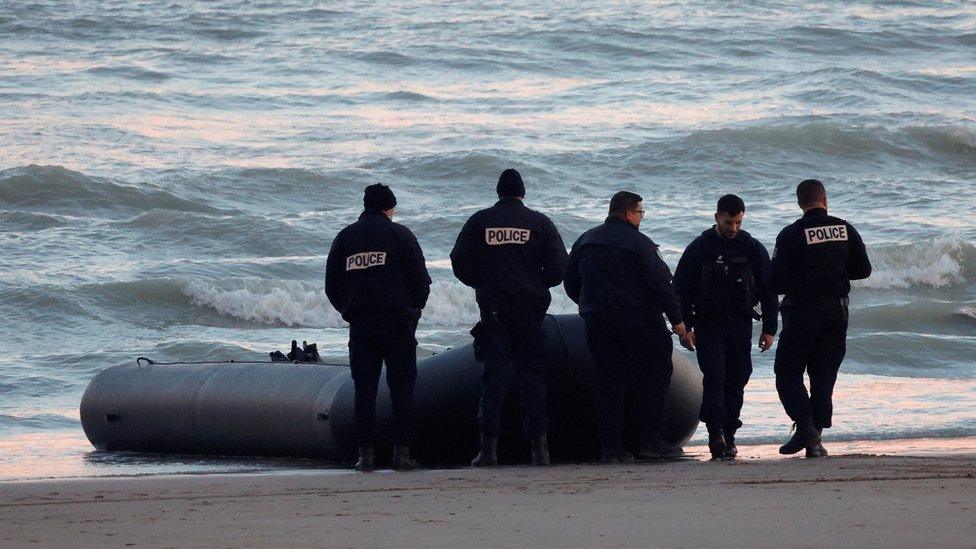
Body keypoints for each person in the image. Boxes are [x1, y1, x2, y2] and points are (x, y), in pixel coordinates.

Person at [450, 169, 569, 467]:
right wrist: (537, 282)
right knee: (532, 377)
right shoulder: (539, 222)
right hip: (530, 310)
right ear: (522, 193)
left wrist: (483, 281)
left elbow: (459, 263)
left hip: (495, 311)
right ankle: (539, 451)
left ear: (498, 192)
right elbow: (558, 267)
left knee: (494, 378)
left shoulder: (480, 221)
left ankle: (489, 451)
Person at [564, 191, 687, 463]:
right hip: (638, 323)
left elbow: (571, 283)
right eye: (641, 213)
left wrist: (591, 304)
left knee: (609, 383)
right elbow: (662, 287)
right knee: (656, 375)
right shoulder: (640, 244)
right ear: (630, 214)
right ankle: (651, 441)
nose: (641, 218)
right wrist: (678, 323)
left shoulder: (586, 240)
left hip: (598, 323)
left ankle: (611, 447)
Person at [325, 183, 432, 472]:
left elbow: (332, 286)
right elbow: (421, 281)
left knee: (365, 389)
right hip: (398, 323)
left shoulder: (345, 238)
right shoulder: (400, 235)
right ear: (389, 208)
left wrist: (349, 311)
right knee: (402, 389)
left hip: (361, 325)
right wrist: (414, 309)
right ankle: (401, 453)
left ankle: (366, 456)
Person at [771, 179, 871, 458]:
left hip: (803, 313)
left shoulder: (791, 234)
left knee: (787, 373)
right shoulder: (844, 229)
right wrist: (834, 271)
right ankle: (814, 437)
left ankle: (806, 428)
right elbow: (863, 269)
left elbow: (776, 281)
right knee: (824, 375)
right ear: (825, 201)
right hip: (837, 313)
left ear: (800, 203)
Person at [673, 194, 777, 460]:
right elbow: (681, 289)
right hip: (709, 324)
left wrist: (770, 328)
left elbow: (768, 290)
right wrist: (685, 326)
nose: (733, 229)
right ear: (717, 217)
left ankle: (729, 432)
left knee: (739, 377)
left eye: (738, 223)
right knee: (715, 377)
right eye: (729, 222)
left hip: (741, 324)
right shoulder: (700, 247)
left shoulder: (751, 247)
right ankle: (715, 432)